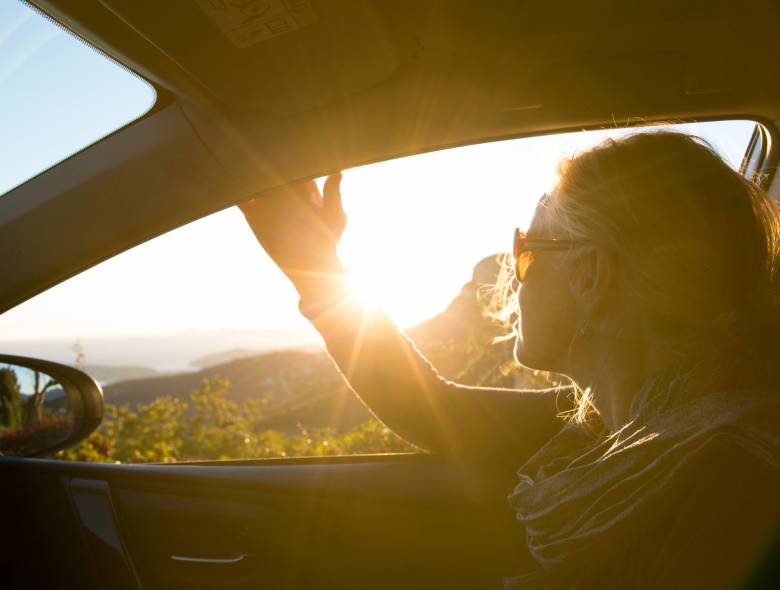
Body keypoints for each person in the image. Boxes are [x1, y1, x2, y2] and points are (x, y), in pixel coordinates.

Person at [240, 131, 780, 589]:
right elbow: (434, 409)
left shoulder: (727, 495)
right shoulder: (612, 428)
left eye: (527, 250)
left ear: (591, 276)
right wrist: (314, 267)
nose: (512, 272)